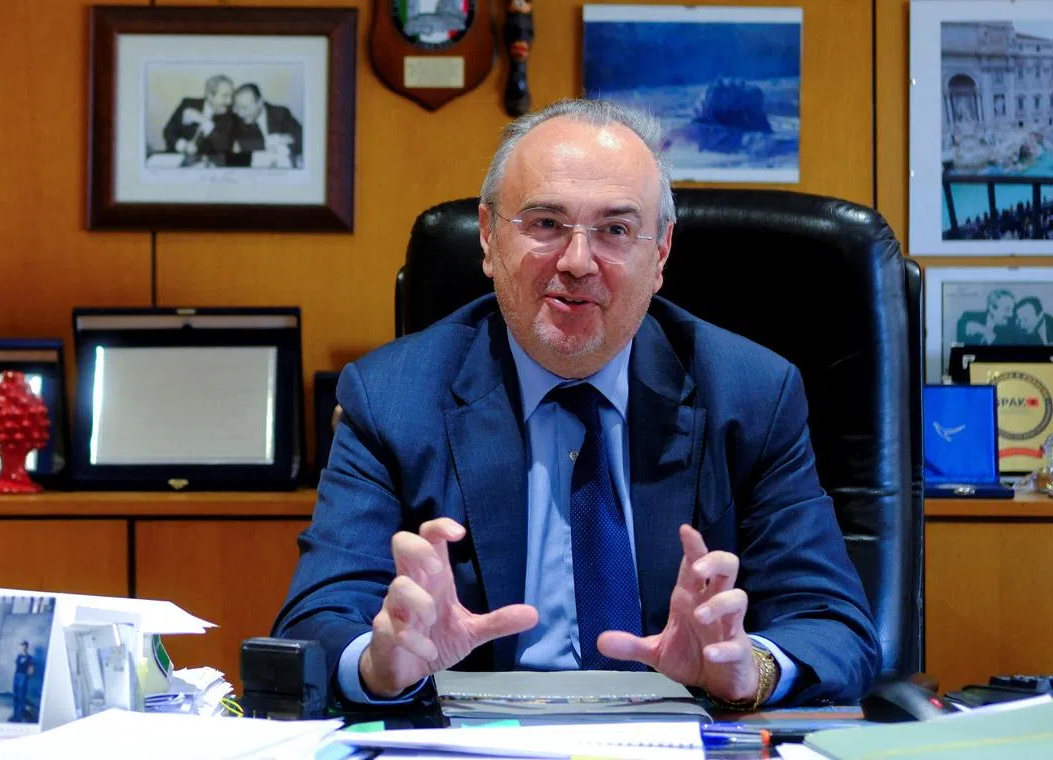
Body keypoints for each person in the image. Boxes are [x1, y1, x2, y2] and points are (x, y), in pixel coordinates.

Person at [273, 98, 880, 709]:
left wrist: (748, 668)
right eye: (545, 224)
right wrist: (381, 664)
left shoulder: (750, 395)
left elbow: (834, 625)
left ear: (661, 253)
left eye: (616, 230)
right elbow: (314, 623)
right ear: (488, 237)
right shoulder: (393, 398)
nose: (577, 262)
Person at [161, 74, 237, 161]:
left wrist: (204, 122)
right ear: (209, 95)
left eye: (231, 95)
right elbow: (168, 131)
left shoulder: (230, 116)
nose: (230, 101)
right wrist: (183, 146)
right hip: (175, 158)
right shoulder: (188, 104)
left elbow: (224, 147)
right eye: (225, 96)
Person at [231, 83, 303, 168]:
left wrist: (290, 144)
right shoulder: (236, 120)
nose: (240, 113)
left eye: (245, 108)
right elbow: (236, 145)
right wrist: (272, 141)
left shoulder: (280, 113)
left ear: (260, 102)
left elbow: (302, 139)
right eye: (237, 107)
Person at [10, 641, 34, 722]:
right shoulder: (19, 656)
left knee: (21, 697)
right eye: (21, 646)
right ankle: (15, 715)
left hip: (23, 677)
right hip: (16, 676)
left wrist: (26, 677)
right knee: (15, 696)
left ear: (27, 647)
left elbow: (31, 670)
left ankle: (19, 717)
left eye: (24, 646)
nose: (22, 647)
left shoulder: (29, 657)